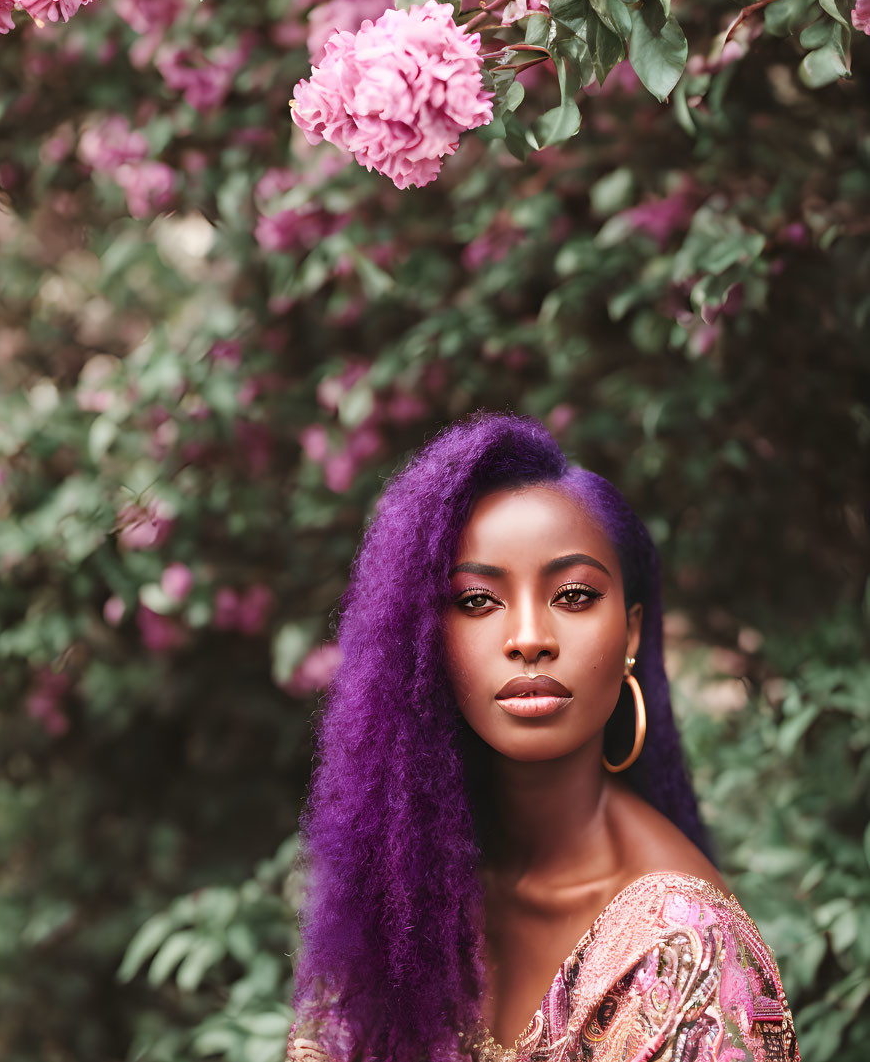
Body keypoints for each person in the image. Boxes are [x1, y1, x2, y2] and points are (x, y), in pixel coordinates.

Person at [287, 412, 800, 1062]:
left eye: (574, 594)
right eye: (477, 600)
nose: (528, 636)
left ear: (632, 634)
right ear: (424, 643)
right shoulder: (405, 882)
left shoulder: (688, 951)